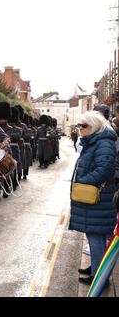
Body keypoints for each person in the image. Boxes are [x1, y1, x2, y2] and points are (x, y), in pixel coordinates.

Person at [69, 111, 118, 285]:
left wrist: (83, 182)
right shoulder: (96, 141)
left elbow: (104, 169)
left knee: (95, 235)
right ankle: (98, 267)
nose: (80, 129)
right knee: (99, 235)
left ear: (95, 127)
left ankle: (99, 277)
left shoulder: (102, 143)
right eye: (79, 125)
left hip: (98, 197)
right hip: (99, 197)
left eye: (84, 126)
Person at [0, 102, 14, 197]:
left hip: (6, 151)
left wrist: (3, 143)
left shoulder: (10, 128)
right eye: (1, 118)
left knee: (6, 171)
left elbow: (8, 138)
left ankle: (7, 187)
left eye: (3, 118)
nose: (2, 120)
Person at [8, 107, 23, 188]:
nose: (11, 123)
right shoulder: (5, 128)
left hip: (15, 149)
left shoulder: (19, 129)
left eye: (12, 121)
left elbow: (15, 137)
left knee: (15, 166)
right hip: (6, 150)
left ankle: (14, 183)